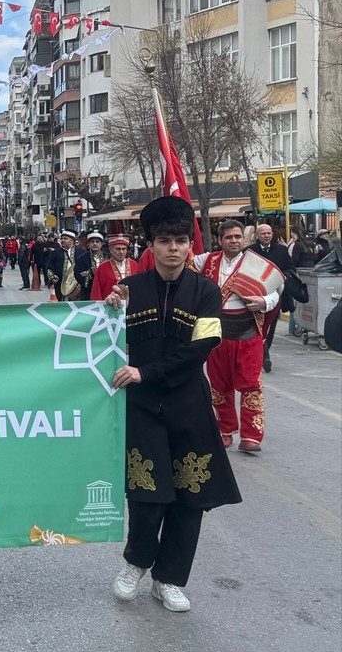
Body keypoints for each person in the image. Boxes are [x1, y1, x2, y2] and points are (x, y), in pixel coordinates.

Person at [104, 195, 241, 614]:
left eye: (181, 241)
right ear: (150, 245)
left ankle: (169, 579)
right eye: (164, 241)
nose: (173, 248)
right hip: (142, 408)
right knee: (146, 493)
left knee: (189, 497)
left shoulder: (206, 292)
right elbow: (102, 338)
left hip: (189, 407)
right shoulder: (131, 290)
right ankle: (136, 563)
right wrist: (108, 310)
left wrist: (146, 372)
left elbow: (201, 348)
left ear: (189, 244)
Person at [194, 220, 281, 454]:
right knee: (219, 385)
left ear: (244, 238)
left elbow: (275, 292)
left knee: (251, 385)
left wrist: (263, 301)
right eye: (229, 237)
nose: (234, 241)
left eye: (238, 237)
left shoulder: (256, 264)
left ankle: (251, 436)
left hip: (248, 333)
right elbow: (184, 260)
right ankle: (224, 431)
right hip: (217, 333)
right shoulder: (207, 261)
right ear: (220, 240)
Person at [246, 223, 296, 372]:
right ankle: (264, 356)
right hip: (255, 295)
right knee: (256, 326)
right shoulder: (250, 251)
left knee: (271, 326)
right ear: (257, 235)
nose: (267, 236)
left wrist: (281, 276)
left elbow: (291, 268)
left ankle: (264, 351)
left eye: (269, 233)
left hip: (276, 295)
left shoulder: (281, 250)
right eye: (263, 233)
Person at [46, 230, 92, 301]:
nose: (63, 240)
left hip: (78, 286)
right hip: (61, 285)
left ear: (72, 240)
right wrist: (52, 277)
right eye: (62, 238)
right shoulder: (55, 253)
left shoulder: (82, 252)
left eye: (65, 238)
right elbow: (49, 266)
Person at [91, 235, 140, 301]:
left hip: (133, 303)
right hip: (109, 304)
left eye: (124, 249)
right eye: (118, 249)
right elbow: (96, 292)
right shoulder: (102, 268)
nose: (121, 252)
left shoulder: (135, 265)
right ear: (110, 250)